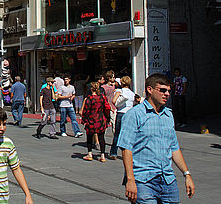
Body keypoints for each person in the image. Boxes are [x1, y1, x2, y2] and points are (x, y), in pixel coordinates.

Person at [118, 74, 195, 203]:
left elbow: (174, 148)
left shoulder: (168, 115)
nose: (167, 94)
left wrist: (187, 174)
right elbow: (126, 149)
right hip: (143, 180)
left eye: (169, 91)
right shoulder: (134, 115)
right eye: (163, 90)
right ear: (150, 90)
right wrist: (130, 180)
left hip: (167, 179)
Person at [81, 81, 110, 162]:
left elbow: (86, 110)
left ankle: (90, 154)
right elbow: (107, 108)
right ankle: (102, 155)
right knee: (101, 138)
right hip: (100, 119)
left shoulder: (89, 98)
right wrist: (107, 118)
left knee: (89, 137)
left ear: (91, 89)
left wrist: (84, 120)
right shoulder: (102, 97)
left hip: (91, 119)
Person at [109, 76, 135, 159]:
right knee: (129, 134)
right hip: (130, 114)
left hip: (121, 113)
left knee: (117, 134)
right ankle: (130, 152)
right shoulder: (132, 93)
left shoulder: (120, 91)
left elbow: (113, 101)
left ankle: (113, 152)